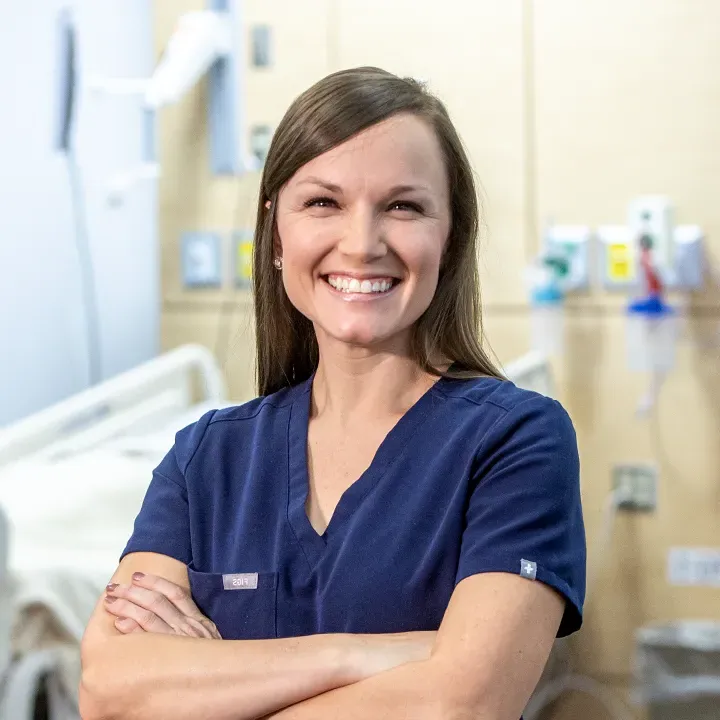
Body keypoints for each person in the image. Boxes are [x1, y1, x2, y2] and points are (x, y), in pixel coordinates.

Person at [79, 66, 586, 720]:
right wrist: (364, 655)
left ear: (449, 236)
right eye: (323, 202)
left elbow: (463, 705)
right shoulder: (207, 458)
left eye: (403, 206)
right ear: (276, 235)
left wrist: (207, 688)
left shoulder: (516, 442)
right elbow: (108, 692)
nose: (362, 242)